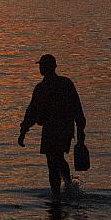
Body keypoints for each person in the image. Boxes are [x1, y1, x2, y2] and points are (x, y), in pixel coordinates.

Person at [18, 54, 86, 200]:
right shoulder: (61, 84)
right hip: (61, 129)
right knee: (56, 158)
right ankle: (67, 187)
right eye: (40, 65)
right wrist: (23, 131)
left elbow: (31, 112)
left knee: (53, 161)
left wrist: (23, 132)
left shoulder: (48, 86)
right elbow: (32, 111)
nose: (40, 68)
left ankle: (59, 193)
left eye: (42, 65)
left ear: (50, 67)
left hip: (55, 129)